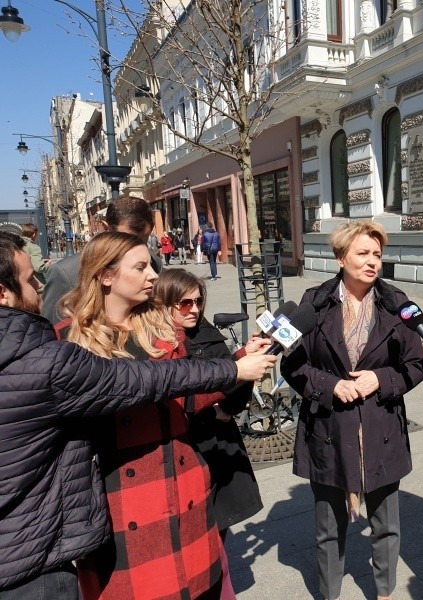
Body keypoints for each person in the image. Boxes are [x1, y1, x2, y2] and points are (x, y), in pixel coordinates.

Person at [0, 231, 272, 599]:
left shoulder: (162, 330)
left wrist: (240, 360)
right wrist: (235, 368)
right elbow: (136, 385)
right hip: (119, 498)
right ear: (106, 275)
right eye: (141, 267)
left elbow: (189, 396)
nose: (153, 276)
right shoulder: (65, 341)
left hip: (184, 485)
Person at [281, 221, 423, 600]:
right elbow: (292, 366)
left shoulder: (397, 304)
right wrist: (332, 385)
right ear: (341, 257)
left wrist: (380, 379)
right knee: (329, 530)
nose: (372, 262)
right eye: (363, 253)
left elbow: (416, 365)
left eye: (377, 254)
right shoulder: (314, 303)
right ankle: (329, 594)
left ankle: (384, 592)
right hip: (328, 431)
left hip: (381, 428)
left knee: (386, 526)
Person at [154, 269, 263, 535]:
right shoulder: (158, 342)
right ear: (164, 303)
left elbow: (227, 382)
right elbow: (179, 396)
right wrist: (216, 408)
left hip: (218, 446)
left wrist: (243, 358)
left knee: (217, 528)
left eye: (198, 301)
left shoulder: (205, 332)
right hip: (184, 447)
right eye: (185, 303)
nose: (194, 309)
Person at [42, 196, 162, 323]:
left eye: (142, 240)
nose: (133, 249)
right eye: (124, 239)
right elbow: (50, 328)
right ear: (106, 228)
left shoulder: (154, 263)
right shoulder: (66, 272)